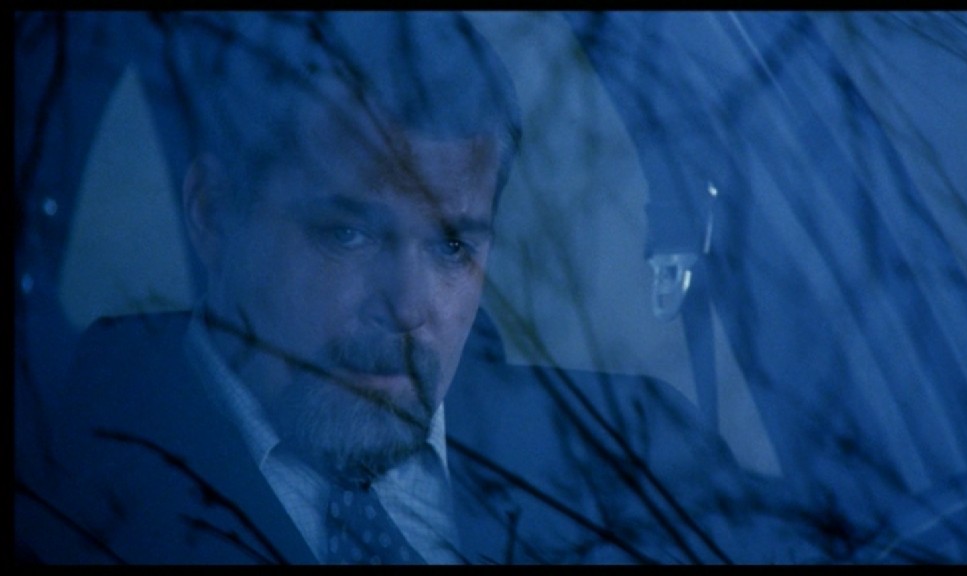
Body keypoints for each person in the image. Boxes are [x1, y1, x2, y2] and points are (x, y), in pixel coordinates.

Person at [16, 12, 803, 564]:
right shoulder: (55, 502)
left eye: (453, 246)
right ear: (214, 214)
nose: (407, 303)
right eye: (346, 234)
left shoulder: (641, 464)